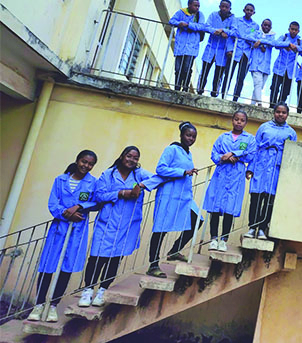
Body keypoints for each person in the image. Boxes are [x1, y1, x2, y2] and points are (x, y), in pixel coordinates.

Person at [28, 150, 98, 322]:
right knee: (47, 266)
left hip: (77, 230)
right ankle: (38, 305)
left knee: (66, 268)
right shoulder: (60, 180)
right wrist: (66, 213)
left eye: (90, 164)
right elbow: (53, 203)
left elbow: (97, 202)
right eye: (84, 161)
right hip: (59, 228)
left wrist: (79, 206)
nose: (86, 166)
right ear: (77, 160)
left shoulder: (92, 183)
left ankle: (52, 306)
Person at [83, 147, 151, 307]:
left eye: (135, 158)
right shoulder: (108, 175)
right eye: (129, 156)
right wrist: (121, 193)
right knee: (96, 258)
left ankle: (102, 291)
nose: (132, 160)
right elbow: (98, 196)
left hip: (127, 225)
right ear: (121, 156)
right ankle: (87, 291)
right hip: (106, 224)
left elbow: (157, 179)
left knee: (115, 259)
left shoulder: (139, 175)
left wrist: (141, 185)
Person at [147, 122, 200, 278]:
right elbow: (160, 168)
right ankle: (153, 265)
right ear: (181, 135)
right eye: (188, 135)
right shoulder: (172, 149)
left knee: (197, 220)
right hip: (169, 194)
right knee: (160, 229)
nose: (191, 138)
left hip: (183, 196)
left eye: (193, 137)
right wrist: (183, 171)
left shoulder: (187, 153)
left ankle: (174, 250)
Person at [203, 111, 256, 252]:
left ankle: (224, 240)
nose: (239, 122)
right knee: (214, 207)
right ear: (232, 120)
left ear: (245, 123)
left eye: (242, 120)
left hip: (236, 175)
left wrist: (235, 154)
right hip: (221, 174)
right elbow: (214, 154)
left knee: (229, 209)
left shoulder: (249, 139)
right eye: (236, 119)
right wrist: (223, 157)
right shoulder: (223, 137)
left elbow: (251, 154)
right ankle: (213, 238)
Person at [245, 103, 297, 239]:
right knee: (256, 198)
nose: (281, 115)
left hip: (276, 168)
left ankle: (262, 228)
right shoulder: (264, 127)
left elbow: (291, 154)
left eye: (284, 112)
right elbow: (255, 149)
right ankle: (252, 227)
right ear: (274, 113)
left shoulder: (291, 133)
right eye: (278, 112)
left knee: (269, 200)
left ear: (287, 114)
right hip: (261, 166)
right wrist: (250, 168)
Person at [197, 0, 236, 97]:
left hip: (223, 49)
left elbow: (235, 32)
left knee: (218, 74)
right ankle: (200, 89)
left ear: (230, 8)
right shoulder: (213, 15)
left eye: (226, 7)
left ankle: (214, 92)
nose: (224, 8)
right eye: (222, 6)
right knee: (205, 70)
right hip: (211, 47)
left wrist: (224, 31)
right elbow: (206, 26)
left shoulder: (233, 19)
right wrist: (215, 31)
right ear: (219, 6)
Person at [169, 0, 204, 91]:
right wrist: (179, 23)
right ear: (189, 5)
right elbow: (172, 21)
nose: (197, 8)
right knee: (178, 68)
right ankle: (177, 87)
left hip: (191, 47)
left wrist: (188, 25)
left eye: (198, 6)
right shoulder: (181, 12)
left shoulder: (200, 15)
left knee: (187, 68)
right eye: (195, 5)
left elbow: (201, 26)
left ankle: (185, 88)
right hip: (181, 45)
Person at [231, 4, 260, 101]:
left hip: (246, 53)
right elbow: (233, 32)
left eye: (251, 10)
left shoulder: (255, 26)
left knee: (241, 77)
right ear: (244, 10)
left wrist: (247, 38)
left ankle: (236, 97)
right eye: (247, 10)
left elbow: (253, 36)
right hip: (235, 50)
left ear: (253, 12)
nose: (249, 12)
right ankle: (224, 93)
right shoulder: (237, 20)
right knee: (228, 74)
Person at [270, 22, 300, 106]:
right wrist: (287, 44)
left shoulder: (299, 41)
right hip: (280, 67)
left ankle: (280, 105)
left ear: (298, 31)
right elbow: (276, 44)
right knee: (274, 87)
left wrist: (295, 48)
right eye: (292, 29)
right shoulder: (284, 37)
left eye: (295, 30)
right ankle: (272, 105)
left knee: (286, 90)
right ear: (289, 29)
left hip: (290, 70)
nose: (293, 31)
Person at [248, 19, 276, 106]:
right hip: (256, 64)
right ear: (261, 25)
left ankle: (252, 103)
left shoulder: (272, 36)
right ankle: (260, 103)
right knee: (258, 83)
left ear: (270, 27)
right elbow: (248, 37)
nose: (266, 27)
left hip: (265, 66)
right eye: (265, 25)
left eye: (268, 26)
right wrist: (258, 42)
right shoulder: (256, 32)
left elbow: (272, 43)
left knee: (260, 86)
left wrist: (260, 42)